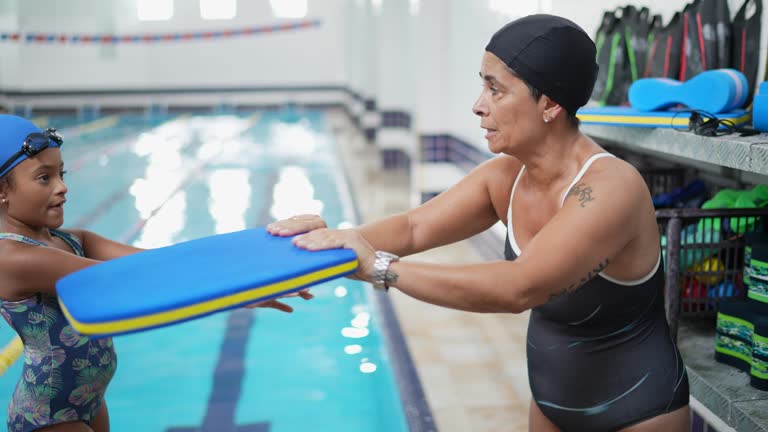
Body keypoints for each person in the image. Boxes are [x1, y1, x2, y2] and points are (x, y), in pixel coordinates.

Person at [268, 14, 690, 432]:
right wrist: (316, 248)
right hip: (550, 405)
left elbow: (519, 286)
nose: (478, 104)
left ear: (550, 104)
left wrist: (377, 268)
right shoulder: (506, 176)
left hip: (638, 412)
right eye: (482, 84)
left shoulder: (611, 187)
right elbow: (414, 227)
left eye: (495, 89)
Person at [0, 115, 311, 432]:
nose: (63, 187)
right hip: (47, 414)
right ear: (2, 192)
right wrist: (234, 292)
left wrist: (248, 277)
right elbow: (136, 281)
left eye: (61, 174)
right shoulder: (14, 258)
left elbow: (162, 264)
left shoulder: (72, 239)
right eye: (44, 178)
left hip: (88, 397)